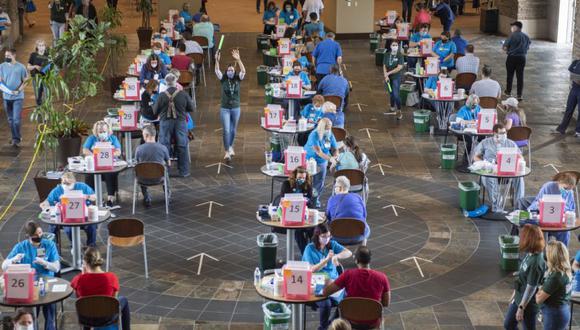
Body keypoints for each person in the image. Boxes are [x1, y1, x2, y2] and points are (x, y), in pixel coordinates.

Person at [2, 222, 60, 330]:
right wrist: (13, 260)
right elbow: (4, 266)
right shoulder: (21, 247)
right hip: (27, 285)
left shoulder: (49, 245)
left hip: (47, 281)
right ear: (29, 236)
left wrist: (46, 263)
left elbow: (56, 267)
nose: (39, 237)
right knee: (30, 314)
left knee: (50, 312)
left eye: (40, 233)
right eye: (35, 236)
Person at [323, 246, 390, 328]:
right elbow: (386, 303)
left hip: (350, 319)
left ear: (356, 260)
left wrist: (327, 282)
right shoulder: (382, 277)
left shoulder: (348, 275)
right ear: (370, 260)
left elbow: (326, 292)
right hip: (372, 320)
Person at [302, 223, 353, 330]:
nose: (327, 239)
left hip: (333, 282)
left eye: (329, 236)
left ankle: (334, 323)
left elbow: (348, 252)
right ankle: (323, 327)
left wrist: (336, 256)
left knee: (348, 299)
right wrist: (325, 261)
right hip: (316, 284)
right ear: (317, 236)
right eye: (324, 236)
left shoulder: (332, 244)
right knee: (326, 304)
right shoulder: (309, 248)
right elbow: (311, 270)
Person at [71, 248, 131, 330]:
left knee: (85, 305)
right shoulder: (112, 277)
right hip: (107, 318)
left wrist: (83, 275)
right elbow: (114, 299)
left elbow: (79, 298)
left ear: (85, 263)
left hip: (87, 319)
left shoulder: (78, 279)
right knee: (124, 300)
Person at [473, 124, 524, 213]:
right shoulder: (485, 142)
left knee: (520, 178)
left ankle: (519, 206)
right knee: (490, 177)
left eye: (505, 132)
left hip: (507, 171)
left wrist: (518, 162)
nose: (504, 134)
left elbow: (520, 157)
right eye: (501, 133)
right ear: (495, 133)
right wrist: (485, 164)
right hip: (491, 170)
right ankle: (496, 205)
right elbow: (475, 157)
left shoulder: (510, 143)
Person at [504, 224, 545, 330]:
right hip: (519, 296)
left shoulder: (536, 262)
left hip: (527, 303)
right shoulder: (530, 253)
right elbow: (526, 273)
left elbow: (531, 287)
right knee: (509, 324)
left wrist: (521, 307)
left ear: (529, 240)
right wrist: (515, 294)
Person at [153, 73, 195, 177]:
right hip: (180, 123)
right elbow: (191, 108)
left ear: (166, 83)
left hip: (165, 123)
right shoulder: (183, 94)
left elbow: (155, 111)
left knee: (164, 146)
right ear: (175, 82)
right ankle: (184, 171)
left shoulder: (161, 96)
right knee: (182, 145)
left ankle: (165, 171)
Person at [39, 171, 98, 246]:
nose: (66, 185)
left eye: (69, 183)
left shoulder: (82, 186)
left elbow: (94, 197)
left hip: (84, 215)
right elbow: (48, 201)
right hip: (67, 217)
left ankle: (91, 245)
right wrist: (44, 204)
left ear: (74, 182)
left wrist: (87, 196)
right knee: (68, 229)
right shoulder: (57, 190)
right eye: (64, 183)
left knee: (91, 226)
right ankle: (75, 244)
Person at [516, 173, 576, 246]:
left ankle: (561, 254)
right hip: (543, 217)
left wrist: (565, 211)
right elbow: (537, 202)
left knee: (565, 233)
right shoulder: (548, 187)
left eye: (569, 189)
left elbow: (571, 209)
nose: (567, 191)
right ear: (559, 182)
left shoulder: (570, 192)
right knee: (538, 230)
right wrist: (540, 206)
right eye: (565, 188)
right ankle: (540, 251)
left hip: (559, 221)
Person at [215, 49, 245, 161]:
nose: (230, 72)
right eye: (228, 70)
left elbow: (243, 71)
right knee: (226, 130)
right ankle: (227, 150)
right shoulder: (223, 79)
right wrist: (216, 60)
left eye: (232, 70)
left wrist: (239, 59)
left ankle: (231, 146)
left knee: (233, 130)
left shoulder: (238, 79)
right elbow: (217, 70)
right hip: (225, 108)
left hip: (236, 108)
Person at [82, 121, 122, 207]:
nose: (102, 133)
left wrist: (110, 154)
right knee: (89, 176)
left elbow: (118, 152)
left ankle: (110, 199)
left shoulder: (113, 138)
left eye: (104, 131)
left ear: (108, 131)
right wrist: (94, 155)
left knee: (110, 174)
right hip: (95, 165)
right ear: (96, 132)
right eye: (100, 132)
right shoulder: (91, 138)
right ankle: (93, 198)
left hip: (109, 165)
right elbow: (85, 150)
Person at [535, 241, 572, 330]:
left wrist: (539, 289)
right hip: (562, 310)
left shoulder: (556, 276)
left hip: (554, 314)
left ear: (552, 257)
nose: (545, 255)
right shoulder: (565, 271)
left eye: (547, 253)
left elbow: (538, 299)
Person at [280, 166, 315, 254]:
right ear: (295, 176)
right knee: (298, 232)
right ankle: (305, 253)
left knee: (313, 230)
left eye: (303, 178)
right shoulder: (286, 184)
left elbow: (310, 201)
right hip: (290, 213)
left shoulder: (308, 185)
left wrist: (306, 202)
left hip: (304, 212)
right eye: (299, 178)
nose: (301, 179)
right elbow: (283, 200)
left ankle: (314, 251)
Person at [305, 118, 338, 207]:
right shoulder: (314, 135)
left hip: (323, 160)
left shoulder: (330, 134)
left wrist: (335, 156)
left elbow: (335, 148)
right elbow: (319, 152)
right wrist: (330, 159)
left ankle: (315, 199)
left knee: (320, 181)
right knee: (309, 180)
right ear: (321, 128)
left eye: (330, 128)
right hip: (310, 159)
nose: (328, 130)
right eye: (327, 128)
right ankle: (307, 199)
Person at [326, 176, 369, 244]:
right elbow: (365, 215)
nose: (334, 189)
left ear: (340, 188)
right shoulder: (358, 197)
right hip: (358, 235)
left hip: (337, 236)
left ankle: (334, 251)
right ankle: (362, 250)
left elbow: (328, 217)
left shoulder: (332, 199)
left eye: (335, 187)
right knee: (366, 225)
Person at [135, 125, 171, 207]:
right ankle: (167, 195)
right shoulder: (163, 148)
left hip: (143, 179)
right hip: (159, 178)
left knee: (140, 171)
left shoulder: (139, 149)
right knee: (165, 170)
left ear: (146, 136)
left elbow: (136, 164)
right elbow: (169, 163)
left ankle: (146, 197)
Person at [0, 48, 28, 147]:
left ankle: (16, 137)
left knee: (16, 119)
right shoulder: (1, 67)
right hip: (6, 97)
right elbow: (0, 81)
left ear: (14, 55)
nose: (6, 57)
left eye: (8, 56)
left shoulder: (21, 67)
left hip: (18, 97)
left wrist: (18, 90)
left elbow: (25, 81)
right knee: (10, 119)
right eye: (5, 56)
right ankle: (16, 138)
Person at [503, 21, 531, 101]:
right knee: (520, 76)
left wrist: (508, 48)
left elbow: (505, 47)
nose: (511, 28)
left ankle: (508, 91)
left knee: (510, 75)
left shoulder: (512, 36)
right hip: (522, 58)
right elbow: (528, 46)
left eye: (512, 26)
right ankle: (519, 95)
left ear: (516, 27)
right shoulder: (526, 36)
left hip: (512, 58)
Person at [554, 59, 580, 137]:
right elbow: (571, 72)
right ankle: (561, 129)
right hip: (574, 89)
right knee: (569, 109)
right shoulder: (576, 62)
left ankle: (578, 131)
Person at [383, 40, 404, 120]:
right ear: (390, 46)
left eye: (396, 45)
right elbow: (384, 65)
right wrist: (386, 75)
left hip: (396, 77)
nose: (395, 46)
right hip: (388, 77)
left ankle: (399, 110)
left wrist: (388, 73)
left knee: (396, 94)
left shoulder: (400, 55)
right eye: (393, 45)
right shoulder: (387, 54)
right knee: (391, 92)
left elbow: (399, 67)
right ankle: (392, 107)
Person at [27, 40, 49, 106]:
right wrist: (35, 66)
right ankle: (39, 107)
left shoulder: (48, 55)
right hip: (36, 78)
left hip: (46, 77)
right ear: (37, 47)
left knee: (46, 93)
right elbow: (28, 67)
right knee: (38, 94)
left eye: (43, 45)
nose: (41, 47)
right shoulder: (33, 55)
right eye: (40, 45)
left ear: (45, 47)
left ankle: (46, 107)